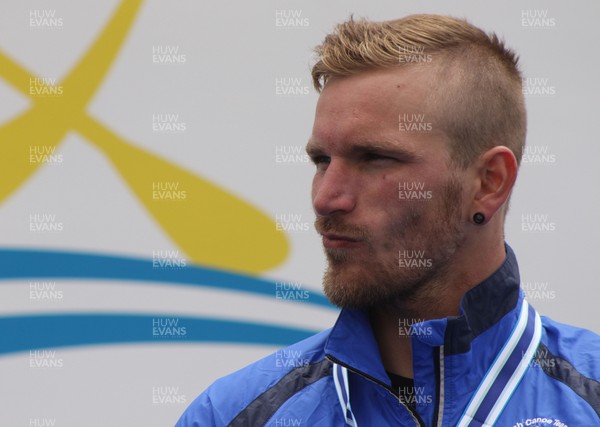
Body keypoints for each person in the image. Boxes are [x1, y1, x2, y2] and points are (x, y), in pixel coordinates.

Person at [176, 14, 600, 426]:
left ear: (489, 182)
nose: (326, 200)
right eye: (322, 160)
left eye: (375, 158)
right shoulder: (234, 414)